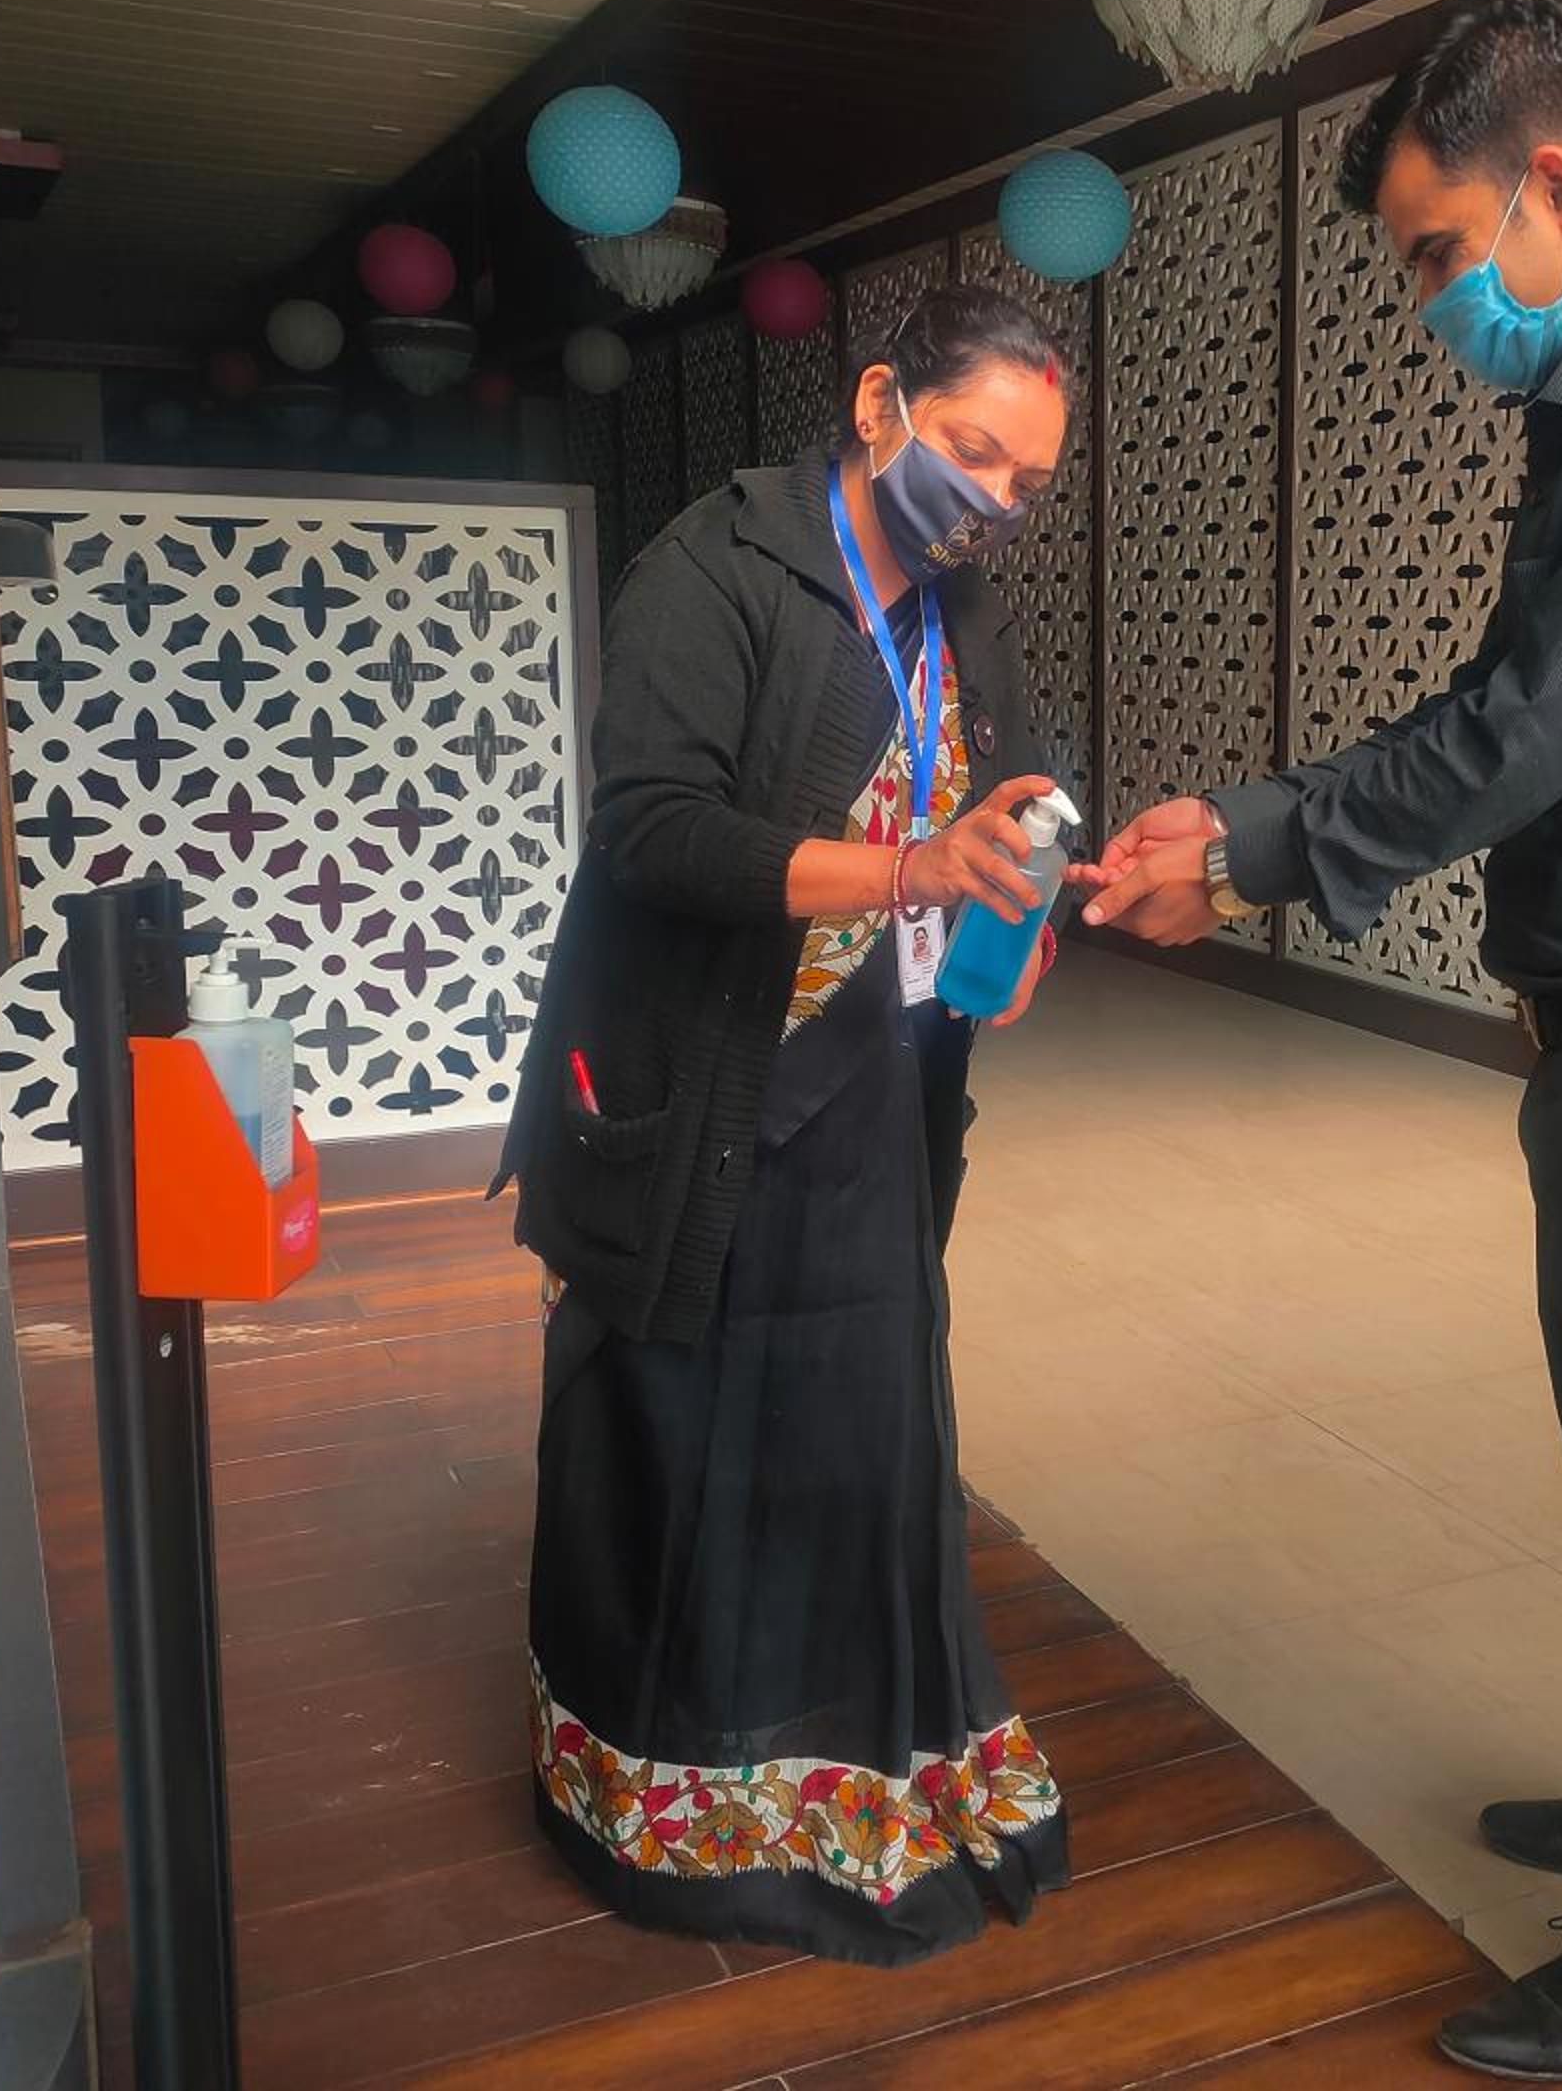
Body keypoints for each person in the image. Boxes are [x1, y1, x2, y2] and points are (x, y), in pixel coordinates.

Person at [1085, 0, 1562, 2078]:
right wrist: (1261, 829)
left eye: (1443, 252)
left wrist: (1258, 845)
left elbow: (1528, 732)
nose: (1439, 303)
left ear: (1558, 186)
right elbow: (1517, 721)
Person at [496, 284, 1081, 1966]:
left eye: (1027, 481)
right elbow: (655, 829)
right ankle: (675, 1791)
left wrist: (1017, 897)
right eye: (972, 449)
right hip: (699, 1092)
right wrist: (911, 866)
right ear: (880, 401)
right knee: (684, 1424)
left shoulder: (959, 605)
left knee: (864, 1426)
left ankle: (865, 1759)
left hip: (873, 1091)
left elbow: (1008, 782)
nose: (992, 498)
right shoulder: (721, 564)